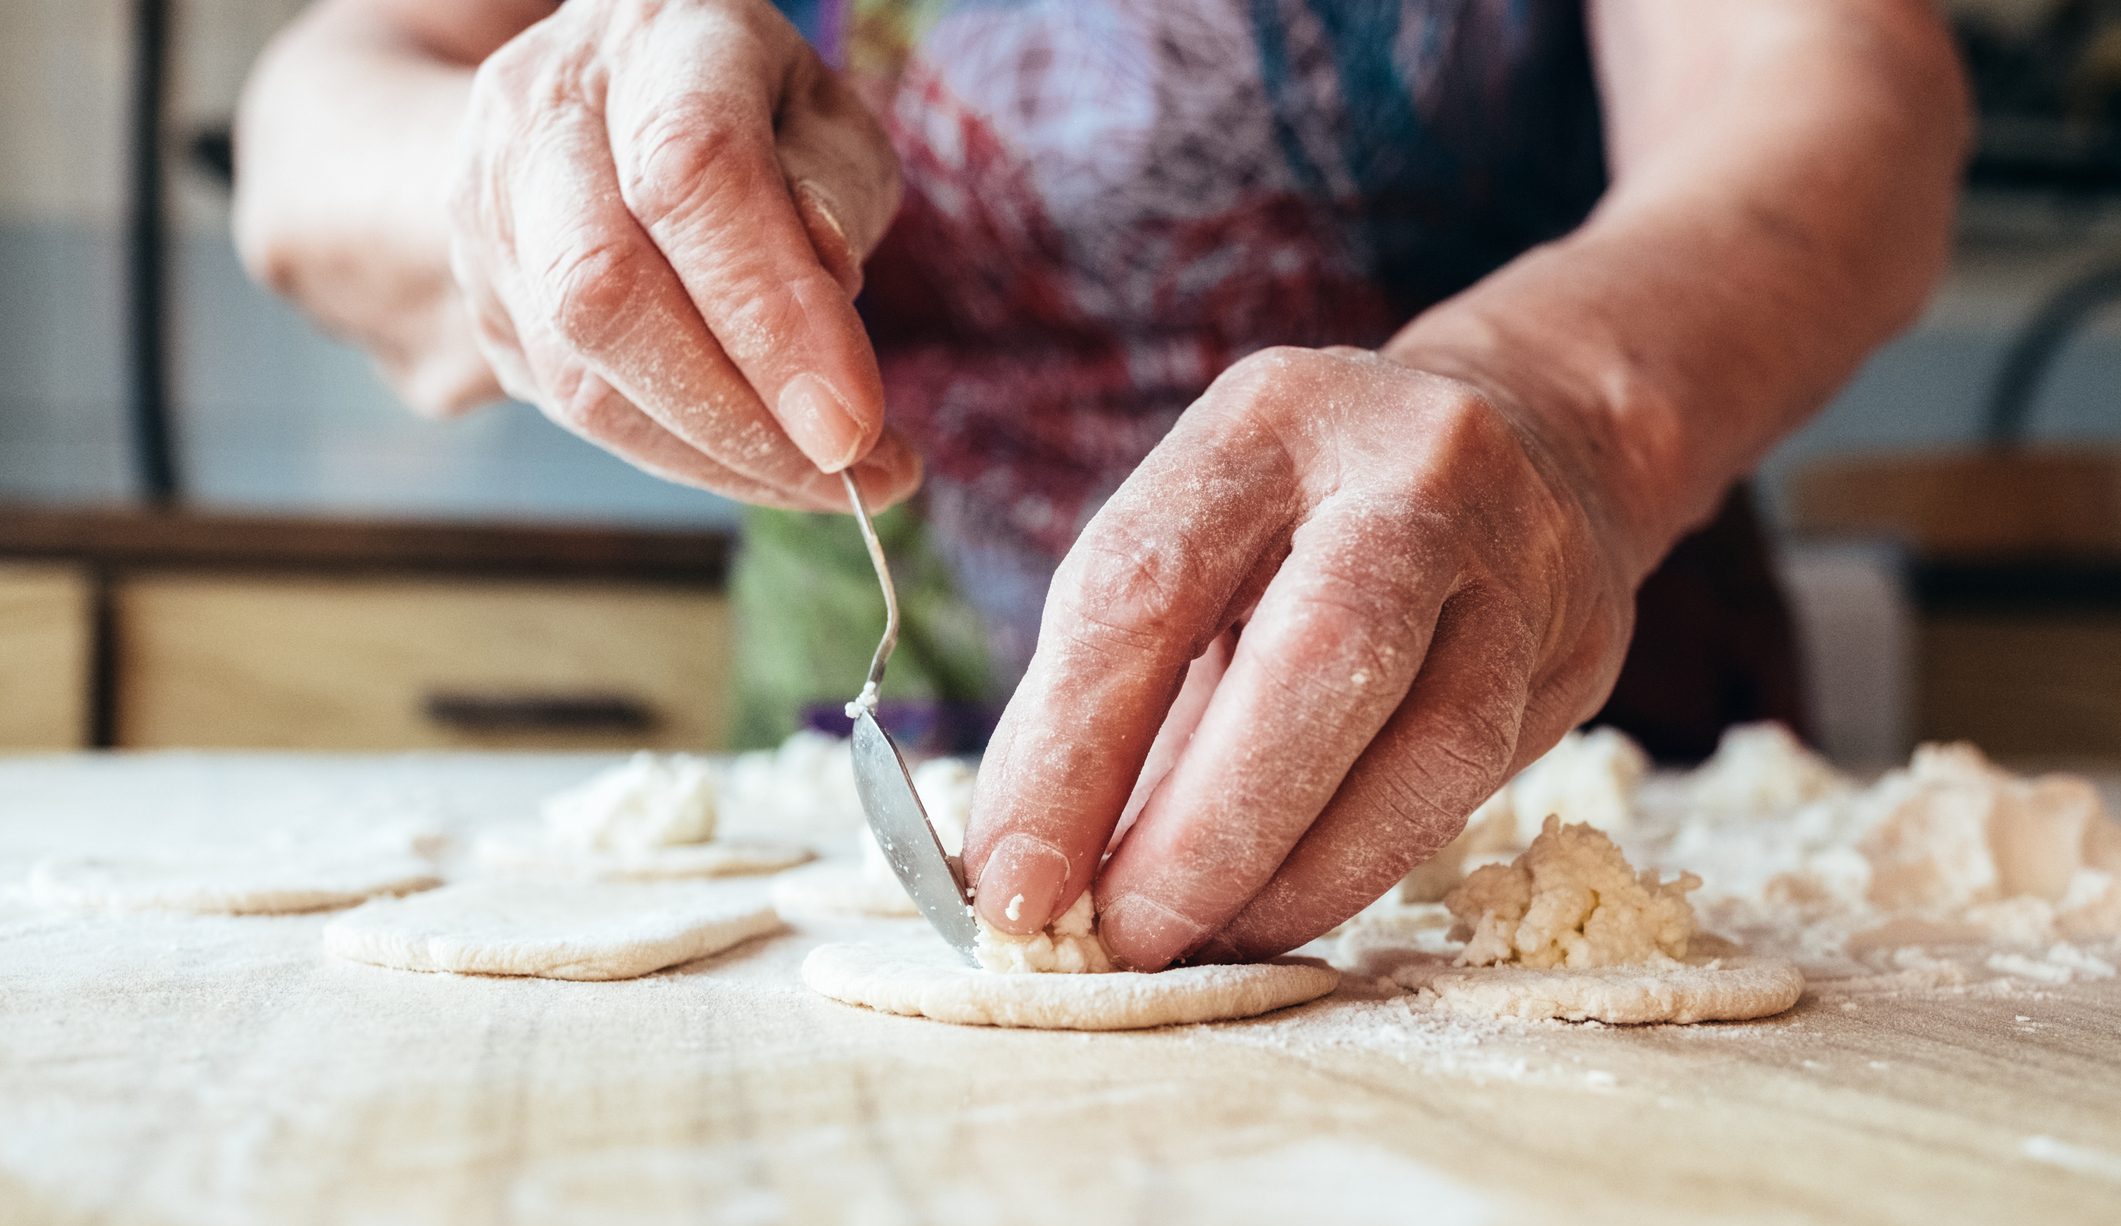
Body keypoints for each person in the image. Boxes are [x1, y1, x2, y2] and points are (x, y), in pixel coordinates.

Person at [233, 0, 1969, 970]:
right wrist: (495, 171)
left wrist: (1559, 404)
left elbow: (1842, 81)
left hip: (1562, 795)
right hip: (865, 774)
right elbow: (315, 116)